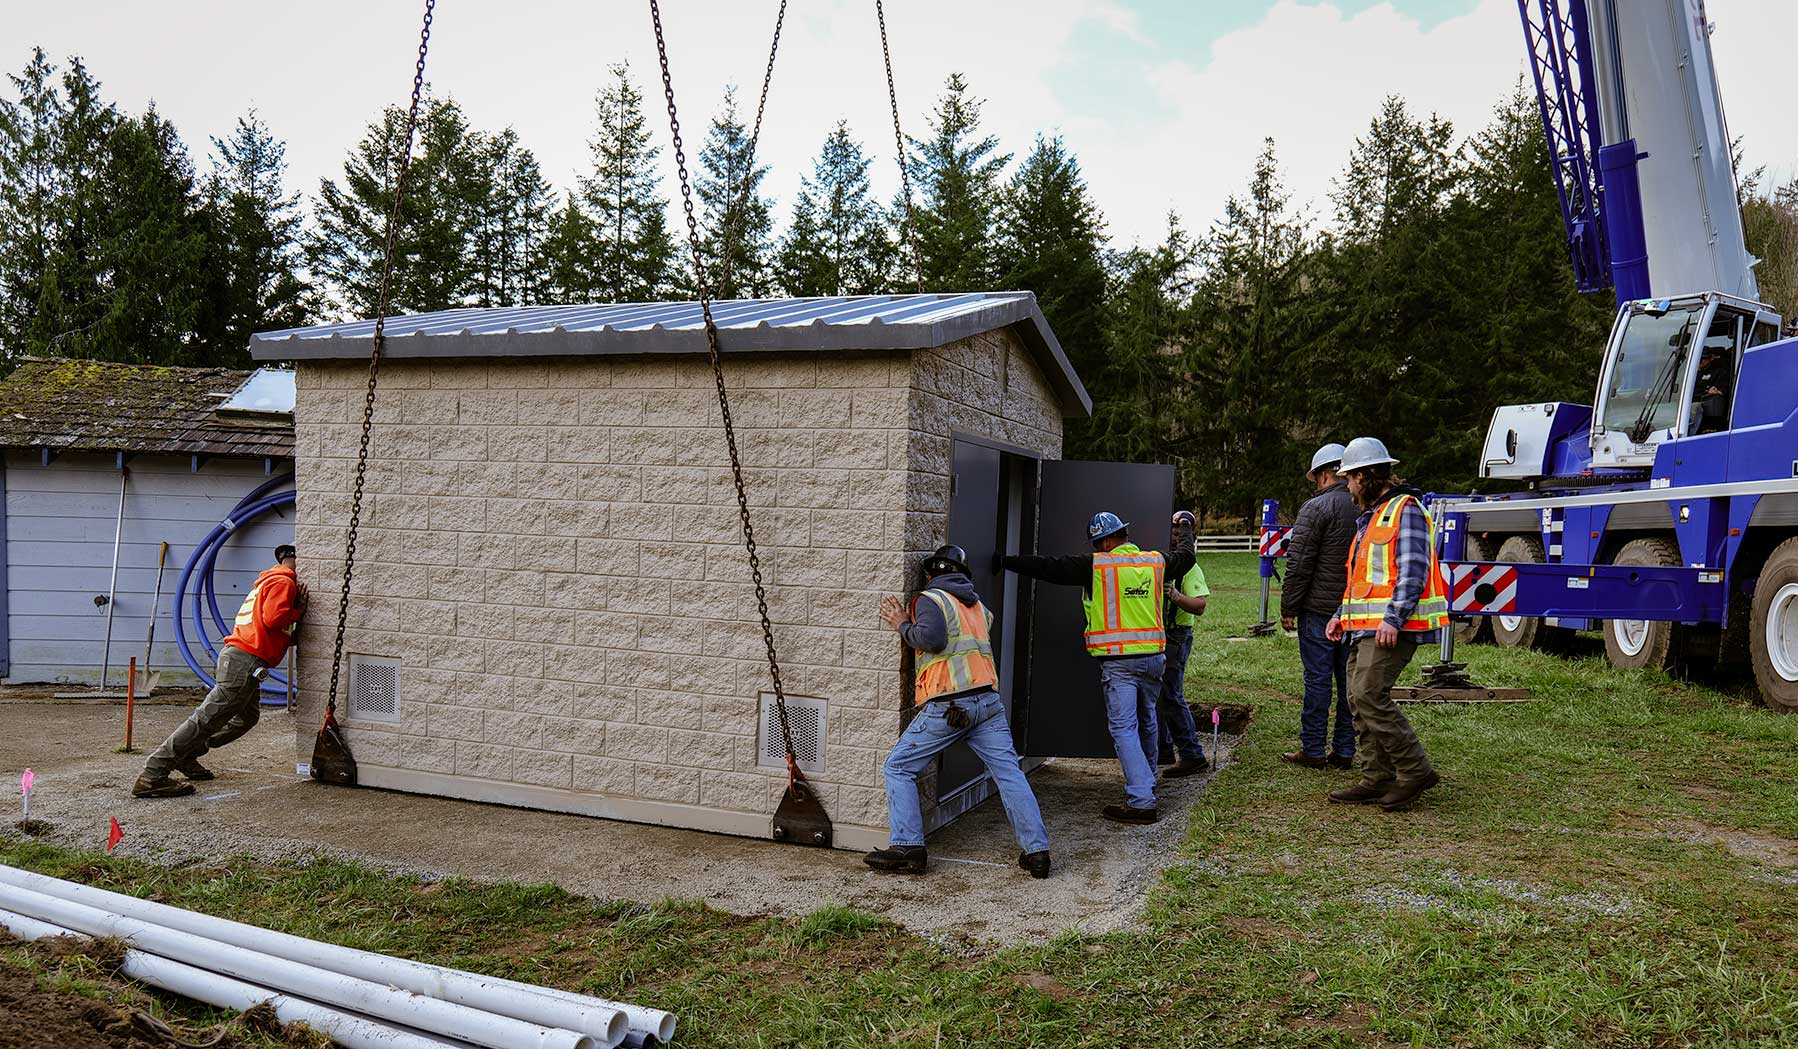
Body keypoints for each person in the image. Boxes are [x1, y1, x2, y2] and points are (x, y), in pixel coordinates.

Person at [865, 545, 1051, 877]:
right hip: (988, 704)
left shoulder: (930, 599)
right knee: (1009, 774)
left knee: (898, 767)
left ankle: (908, 847)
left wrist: (902, 624)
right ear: (961, 574)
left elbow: (932, 639)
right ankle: (1036, 852)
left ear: (931, 573)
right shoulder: (976, 605)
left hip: (951, 706)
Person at [1003, 511, 1197, 825]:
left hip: (1120, 663)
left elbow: (1048, 566)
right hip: (1154, 659)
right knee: (1147, 719)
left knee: (1123, 729)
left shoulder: (1097, 566)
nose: (1095, 549)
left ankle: (1142, 801)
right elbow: (1186, 557)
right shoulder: (1155, 561)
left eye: (1097, 544)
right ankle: (1146, 785)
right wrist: (1185, 527)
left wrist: (1005, 561)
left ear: (1106, 540)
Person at [1324, 439, 1446, 811]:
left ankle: (1415, 771)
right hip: (1363, 627)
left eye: (1349, 478)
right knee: (1356, 699)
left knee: (1368, 695)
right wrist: (1340, 616)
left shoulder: (1404, 510)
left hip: (1391, 628)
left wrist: (1394, 619)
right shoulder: (1373, 516)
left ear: (1364, 476)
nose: (1347, 486)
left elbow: (1413, 571)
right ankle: (1376, 776)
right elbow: (1364, 578)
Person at [133, 545, 307, 798]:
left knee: (246, 718)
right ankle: (153, 774)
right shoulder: (284, 582)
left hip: (241, 658)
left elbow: (274, 631)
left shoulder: (268, 582)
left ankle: (187, 755)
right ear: (294, 560)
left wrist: (296, 623)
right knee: (206, 718)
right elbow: (274, 619)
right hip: (244, 661)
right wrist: (299, 609)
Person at [1279, 443, 1359, 770]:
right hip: (1356, 611)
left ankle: (1312, 749)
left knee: (1317, 681)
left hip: (1318, 612)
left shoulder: (1317, 507)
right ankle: (1344, 750)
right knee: (1349, 684)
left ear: (1325, 474)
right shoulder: (1365, 505)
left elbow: (1299, 564)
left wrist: (1288, 607)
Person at [1156, 510, 1210, 777]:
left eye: (1180, 533)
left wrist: (1176, 596)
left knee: (1170, 695)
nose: (1174, 537)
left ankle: (1192, 754)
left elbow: (1200, 606)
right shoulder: (1162, 561)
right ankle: (1164, 749)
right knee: (1158, 695)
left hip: (1177, 634)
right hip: (1161, 633)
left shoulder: (1190, 567)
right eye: (1172, 531)